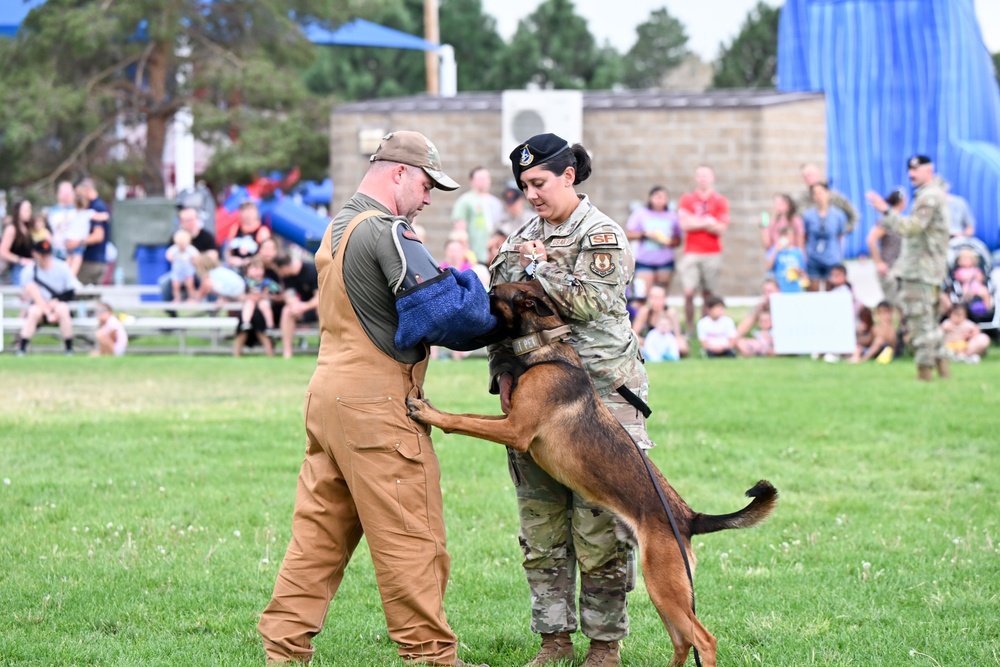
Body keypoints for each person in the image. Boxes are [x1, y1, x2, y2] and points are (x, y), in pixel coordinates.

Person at [258, 130, 489, 667]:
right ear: (400, 173)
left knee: (318, 537)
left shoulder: (338, 225)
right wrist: (479, 285)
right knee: (411, 534)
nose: (430, 196)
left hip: (327, 395)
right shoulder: (388, 230)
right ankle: (433, 657)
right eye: (428, 183)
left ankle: (283, 651)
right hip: (377, 405)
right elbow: (443, 316)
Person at [488, 132, 651, 667]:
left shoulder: (601, 234)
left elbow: (593, 300)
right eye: (523, 186)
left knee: (600, 527)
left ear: (568, 176)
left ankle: (605, 645)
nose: (531, 194)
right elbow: (500, 315)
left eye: (539, 183)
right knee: (541, 526)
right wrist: (503, 373)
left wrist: (541, 267)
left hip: (603, 400)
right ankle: (553, 639)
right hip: (536, 399)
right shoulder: (518, 240)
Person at [866, 154, 951, 381]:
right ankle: (944, 373)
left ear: (929, 169)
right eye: (909, 170)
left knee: (920, 324)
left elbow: (911, 228)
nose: (911, 174)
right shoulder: (932, 194)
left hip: (920, 271)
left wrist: (886, 211)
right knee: (931, 324)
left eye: (916, 170)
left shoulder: (928, 197)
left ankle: (924, 375)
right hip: (930, 270)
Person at [677, 165, 729, 337]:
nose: (702, 178)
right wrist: (707, 221)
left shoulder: (720, 200)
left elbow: (721, 228)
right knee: (689, 292)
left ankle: (705, 330)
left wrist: (696, 222)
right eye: (699, 175)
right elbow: (684, 224)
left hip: (712, 253)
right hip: (691, 252)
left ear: (712, 178)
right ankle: (690, 329)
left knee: (708, 294)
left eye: (705, 175)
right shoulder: (687, 199)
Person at [15, 238, 76, 356]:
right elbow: (32, 293)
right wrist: (47, 311)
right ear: (35, 254)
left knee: (63, 309)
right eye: (42, 255)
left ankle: (69, 348)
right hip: (40, 307)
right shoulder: (29, 271)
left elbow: (70, 292)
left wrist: (56, 302)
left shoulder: (62, 267)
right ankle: (22, 348)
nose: (45, 258)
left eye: (47, 254)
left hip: (58, 305)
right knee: (33, 311)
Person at [624, 185, 682, 298]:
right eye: (658, 197)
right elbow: (629, 234)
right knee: (642, 296)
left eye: (664, 198)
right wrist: (645, 234)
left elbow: (678, 240)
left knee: (660, 296)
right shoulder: (640, 213)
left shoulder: (672, 216)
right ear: (651, 198)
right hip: (645, 261)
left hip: (665, 261)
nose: (661, 200)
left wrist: (667, 242)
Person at [158, 206, 220, 301]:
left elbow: (214, 255)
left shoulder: (206, 236)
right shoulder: (176, 238)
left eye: (192, 219)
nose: (191, 222)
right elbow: (169, 255)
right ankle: (172, 311)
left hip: (200, 273)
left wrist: (198, 260)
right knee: (164, 283)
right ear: (181, 222)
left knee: (209, 282)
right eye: (187, 220)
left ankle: (210, 311)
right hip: (179, 271)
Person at [451, 166, 503, 265]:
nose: (484, 181)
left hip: (493, 255)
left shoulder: (496, 202)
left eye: (487, 178)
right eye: (480, 179)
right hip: (475, 255)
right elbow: (460, 230)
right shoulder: (465, 201)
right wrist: (466, 252)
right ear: (472, 181)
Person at [272, 252, 318, 360]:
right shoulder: (286, 277)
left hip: (317, 307)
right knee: (286, 311)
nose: (278, 273)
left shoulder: (311, 270)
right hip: (300, 309)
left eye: (278, 270)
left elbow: (320, 297)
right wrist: (295, 306)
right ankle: (287, 352)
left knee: (323, 309)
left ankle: (325, 350)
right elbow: (289, 295)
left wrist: (304, 306)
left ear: (284, 267)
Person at [802, 182, 847, 290]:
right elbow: (804, 237)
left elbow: (841, 237)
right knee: (813, 289)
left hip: (832, 257)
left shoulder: (838, 215)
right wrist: (804, 257)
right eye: (815, 193)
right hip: (813, 258)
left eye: (821, 193)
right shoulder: (808, 215)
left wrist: (841, 257)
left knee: (830, 290)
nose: (818, 196)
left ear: (828, 194)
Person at [867, 188, 905, 308]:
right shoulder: (886, 220)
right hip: (890, 268)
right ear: (902, 202)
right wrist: (879, 263)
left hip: (900, 267)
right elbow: (871, 240)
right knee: (893, 303)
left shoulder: (900, 219)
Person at [234, 258, 279, 357]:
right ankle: (236, 353)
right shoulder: (246, 282)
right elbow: (241, 296)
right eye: (254, 268)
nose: (257, 271)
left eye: (259, 268)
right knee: (246, 314)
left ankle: (269, 329)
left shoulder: (267, 282)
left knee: (260, 316)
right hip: (250, 310)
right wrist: (250, 297)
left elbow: (277, 292)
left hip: (262, 312)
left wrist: (265, 295)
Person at [797, 163, 859, 233]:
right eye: (805, 176)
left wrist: (843, 230)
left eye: (810, 175)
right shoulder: (801, 199)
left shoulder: (834, 196)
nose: (808, 178)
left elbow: (854, 215)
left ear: (818, 175)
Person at [630, 284, 689, 358]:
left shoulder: (670, 312)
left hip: (667, 341)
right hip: (649, 341)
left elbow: (678, 335)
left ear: (664, 299)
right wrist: (648, 342)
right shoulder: (645, 312)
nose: (655, 301)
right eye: (652, 298)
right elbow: (634, 334)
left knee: (682, 346)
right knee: (635, 347)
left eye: (658, 298)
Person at [76, 178, 111, 285]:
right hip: (97, 261)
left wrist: (78, 242)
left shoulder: (96, 207)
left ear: (87, 190)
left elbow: (98, 236)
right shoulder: (97, 206)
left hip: (91, 261)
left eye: (79, 194)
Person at [225, 201, 271, 271]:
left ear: (256, 213)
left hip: (252, 270)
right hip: (232, 267)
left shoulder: (262, 231)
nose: (247, 214)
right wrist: (229, 259)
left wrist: (243, 262)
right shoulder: (236, 228)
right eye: (244, 210)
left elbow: (264, 256)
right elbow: (227, 249)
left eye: (250, 210)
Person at [1, 199, 34, 285]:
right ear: (18, 211)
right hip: (19, 269)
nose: (29, 212)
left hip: (30, 267)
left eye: (29, 209)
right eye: (26, 210)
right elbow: (3, 251)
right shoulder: (12, 229)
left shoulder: (27, 228)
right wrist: (20, 260)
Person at [949, 247, 992, 313]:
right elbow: (959, 278)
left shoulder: (976, 269)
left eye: (969, 259)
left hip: (978, 286)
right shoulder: (960, 271)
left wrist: (978, 277)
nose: (967, 261)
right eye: (964, 259)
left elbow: (981, 278)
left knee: (985, 292)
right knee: (965, 295)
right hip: (966, 287)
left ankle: (988, 309)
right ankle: (967, 310)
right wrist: (970, 276)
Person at [766, 226, 807, 293]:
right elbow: (768, 267)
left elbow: (804, 274)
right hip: (780, 289)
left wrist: (798, 271)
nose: (786, 238)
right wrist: (776, 250)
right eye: (784, 235)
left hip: (795, 288)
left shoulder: (798, 252)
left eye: (788, 235)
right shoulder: (774, 250)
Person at [165, 228, 200, 303]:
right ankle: (177, 298)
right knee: (175, 286)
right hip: (177, 272)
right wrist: (171, 258)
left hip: (188, 272)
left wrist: (194, 260)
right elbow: (168, 254)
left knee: (190, 285)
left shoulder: (190, 249)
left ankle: (192, 298)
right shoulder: (174, 249)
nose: (182, 247)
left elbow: (197, 257)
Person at [47, 181, 77, 259]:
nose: (66, 195)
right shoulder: (51, 212)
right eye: (64, 192)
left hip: (74, 255)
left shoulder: (79, 211)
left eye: (68, 193)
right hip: (55, 253)